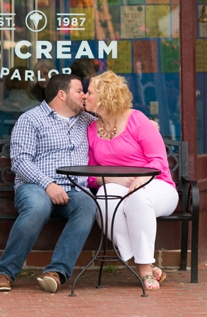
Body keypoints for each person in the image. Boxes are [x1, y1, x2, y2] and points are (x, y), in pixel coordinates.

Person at [0, 74, 96, 294]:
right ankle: (4, 272)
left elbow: (118, 125)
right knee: (38, 206)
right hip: (35, 186)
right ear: (62, 94)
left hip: (73, 189)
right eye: (79, 91)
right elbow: (20, 161)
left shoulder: (88, 121)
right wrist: (48, 184)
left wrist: (148, 124)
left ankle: (56, 272)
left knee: (88, 205)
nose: (84, 96)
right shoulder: (31, 119)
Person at [84, 71, 178, 291]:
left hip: (157, 185)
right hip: (117, 185)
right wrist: (117, 179)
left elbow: (158, 161)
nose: (84, 97)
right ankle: (144, 260)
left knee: (138, 197)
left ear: (105, 96)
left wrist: (139, 179)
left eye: (89, 92)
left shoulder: (137, 120)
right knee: (104, 199)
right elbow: (90, 175)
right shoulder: (91, 129)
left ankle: (145, 270)